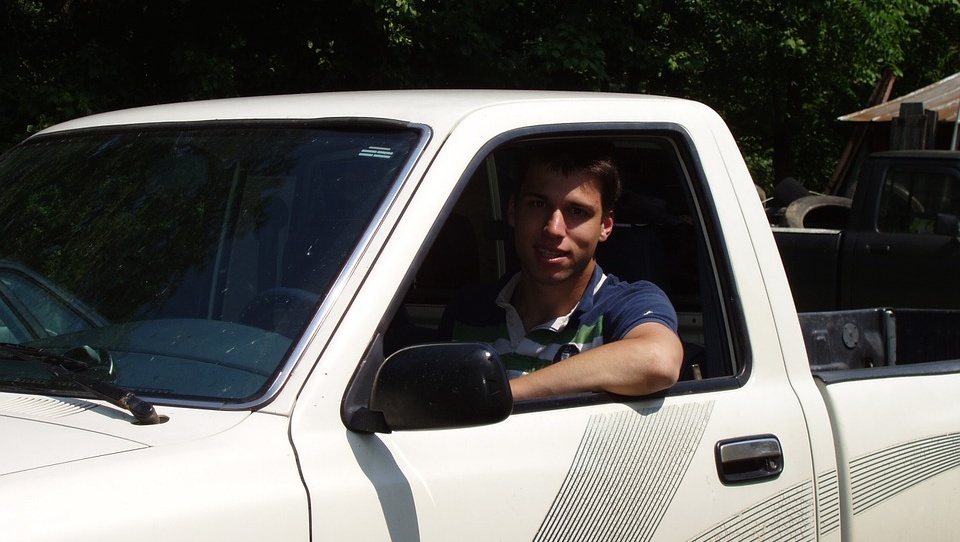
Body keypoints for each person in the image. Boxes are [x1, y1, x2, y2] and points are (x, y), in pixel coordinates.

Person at [439, 142, 684, 401]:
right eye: (538, 204)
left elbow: (658, 360)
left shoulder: (627, 305)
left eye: (577, 211)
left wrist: (504, 395)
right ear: (512, 210)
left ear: (605, 226)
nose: (553, 229)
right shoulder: (468, 310)